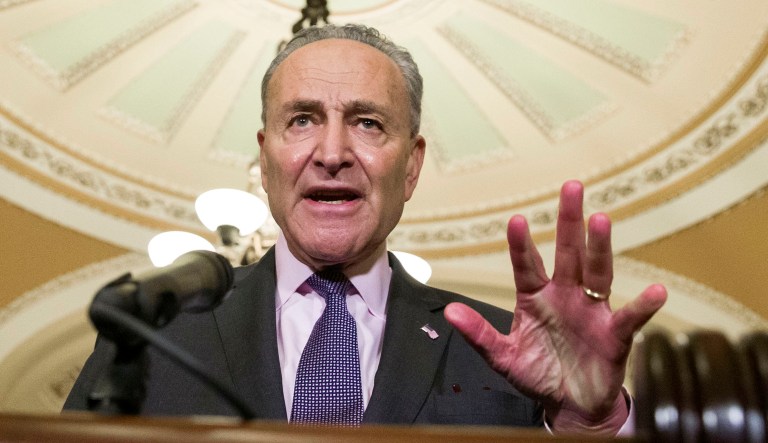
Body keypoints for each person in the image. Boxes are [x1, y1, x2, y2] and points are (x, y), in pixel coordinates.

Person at [64, 24, 667, 435]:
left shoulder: (511, 353)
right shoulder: (156, 330)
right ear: (265, 158)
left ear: (412, 164)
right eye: (301, 120)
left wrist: (592, 424)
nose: (331, 152)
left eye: (368, 124)